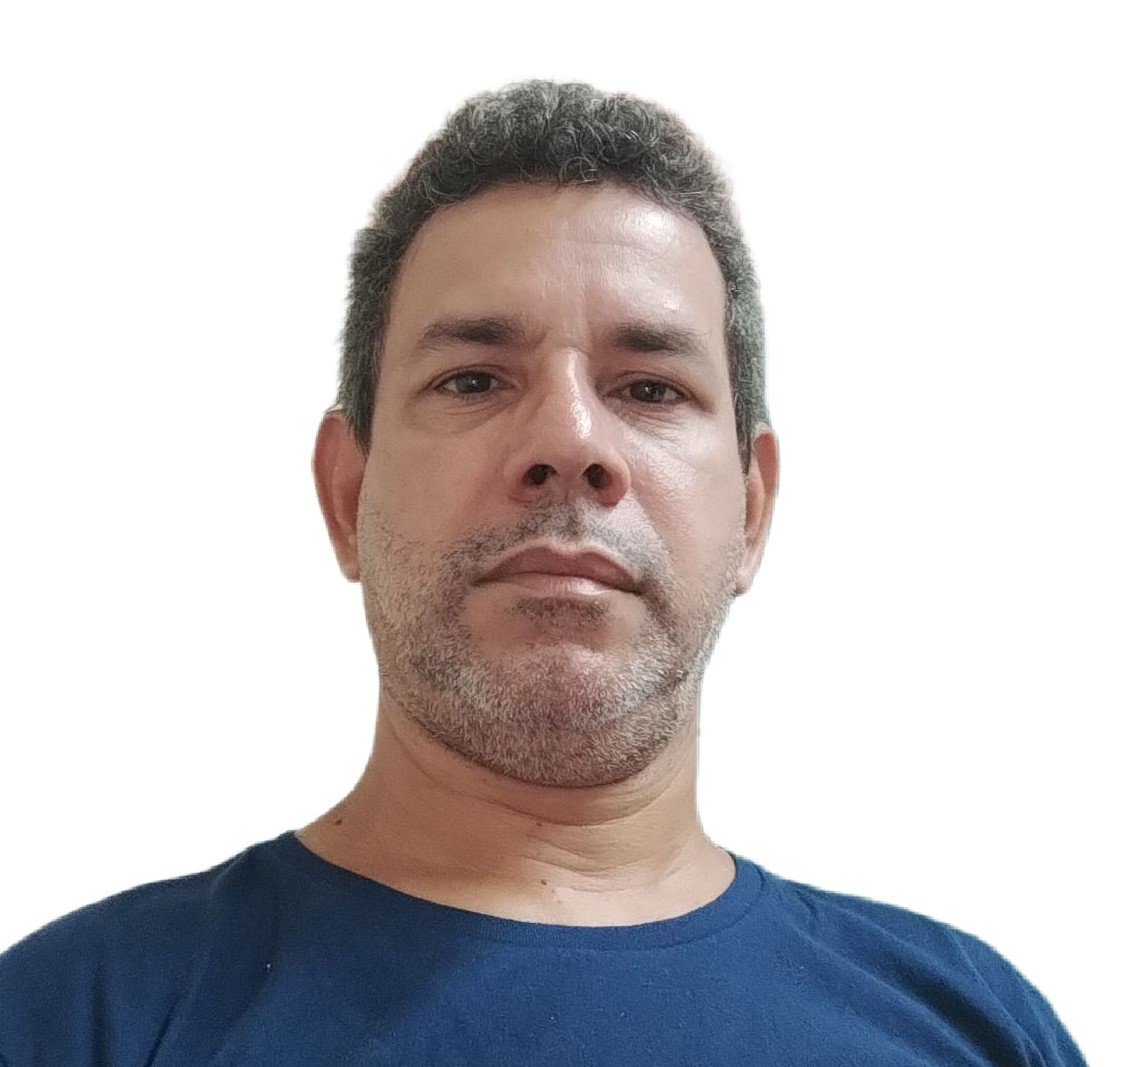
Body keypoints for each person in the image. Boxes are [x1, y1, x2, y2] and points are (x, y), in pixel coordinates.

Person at [0, 79, 1087, 1066]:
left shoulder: (977, 1028)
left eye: (650, 388)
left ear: (752, 511)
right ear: (346, 494)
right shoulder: (76, 1018)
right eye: (474, 379)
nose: (568, 441)